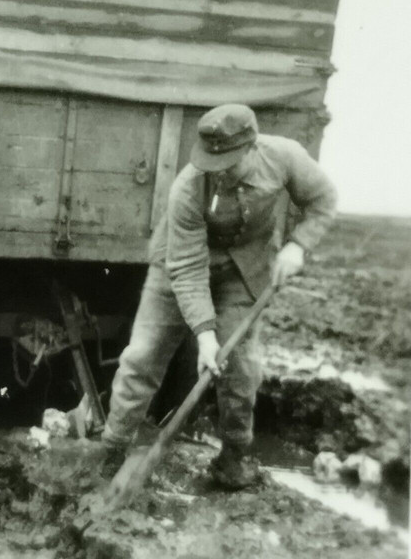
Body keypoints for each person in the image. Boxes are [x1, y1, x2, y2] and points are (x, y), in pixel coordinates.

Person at [101, 103, 337, 488]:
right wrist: (205, 336)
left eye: (228, 161)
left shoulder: (284, 156)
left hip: (243, 271)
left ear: (251, 147)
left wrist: (298, 246)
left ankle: (234, 458)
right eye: (212, 161)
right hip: (177, 265)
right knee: (142, 356)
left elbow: (323, 199)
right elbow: (189, 269)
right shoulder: (188, 188)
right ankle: (111, 450)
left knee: (242, 370)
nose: (219, 172)